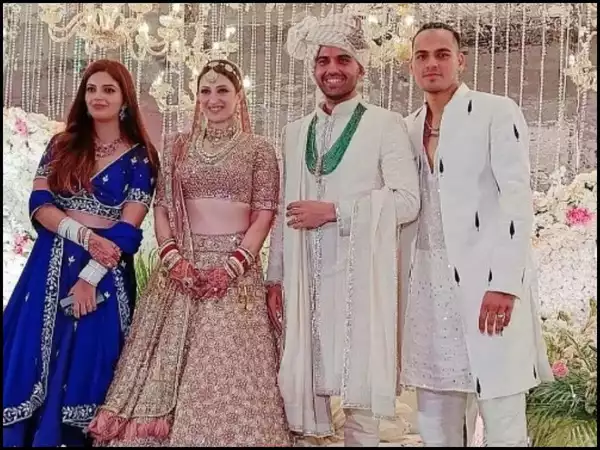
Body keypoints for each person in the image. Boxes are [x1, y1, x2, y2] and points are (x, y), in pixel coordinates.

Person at [88, 59, 292, 447]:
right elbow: (162, 207)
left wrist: (233, 266)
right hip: (181, 270)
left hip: (235, 274)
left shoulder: (260, 149)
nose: (213, 99)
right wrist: (172, 259)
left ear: (239, 96)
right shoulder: (177, 147)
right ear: (196, 97)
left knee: (224, 362)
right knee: (165, 364)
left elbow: (265, 213)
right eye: (205, 91)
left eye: (222, 91)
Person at [266, 11, 420, 447]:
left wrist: (335, 212)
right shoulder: (294, 132)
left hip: (359, 277)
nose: (331, 69)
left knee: (360, 399)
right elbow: (283, 210)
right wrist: (275, 277)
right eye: (323, 61)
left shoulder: (384, 123)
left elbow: (407, 201)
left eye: (342, 60)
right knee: (302, 390)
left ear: (360, 68)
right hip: (304, 279)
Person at [401, 22, 553, 447]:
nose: (432, 64)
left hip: (487, 286)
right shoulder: (407, 127)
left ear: (461, 61)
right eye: (422, 56)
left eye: (442, 54)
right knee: (435, 422)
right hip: (426, 291)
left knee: (502, 416)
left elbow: (517, 203)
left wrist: (504, 283)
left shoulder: (495, 112)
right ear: (411, 66)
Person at [2, 59, 158, 447]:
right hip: (50, 265)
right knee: (31, 356)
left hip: (104, 274)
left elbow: (128, 228)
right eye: (91, 89)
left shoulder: (141, 157)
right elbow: (40, 204)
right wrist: (84, 236)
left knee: (92, 361)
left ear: (125, 100)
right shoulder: (62, 145)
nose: (98, 96)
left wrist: (89, 278)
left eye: (108, 89)